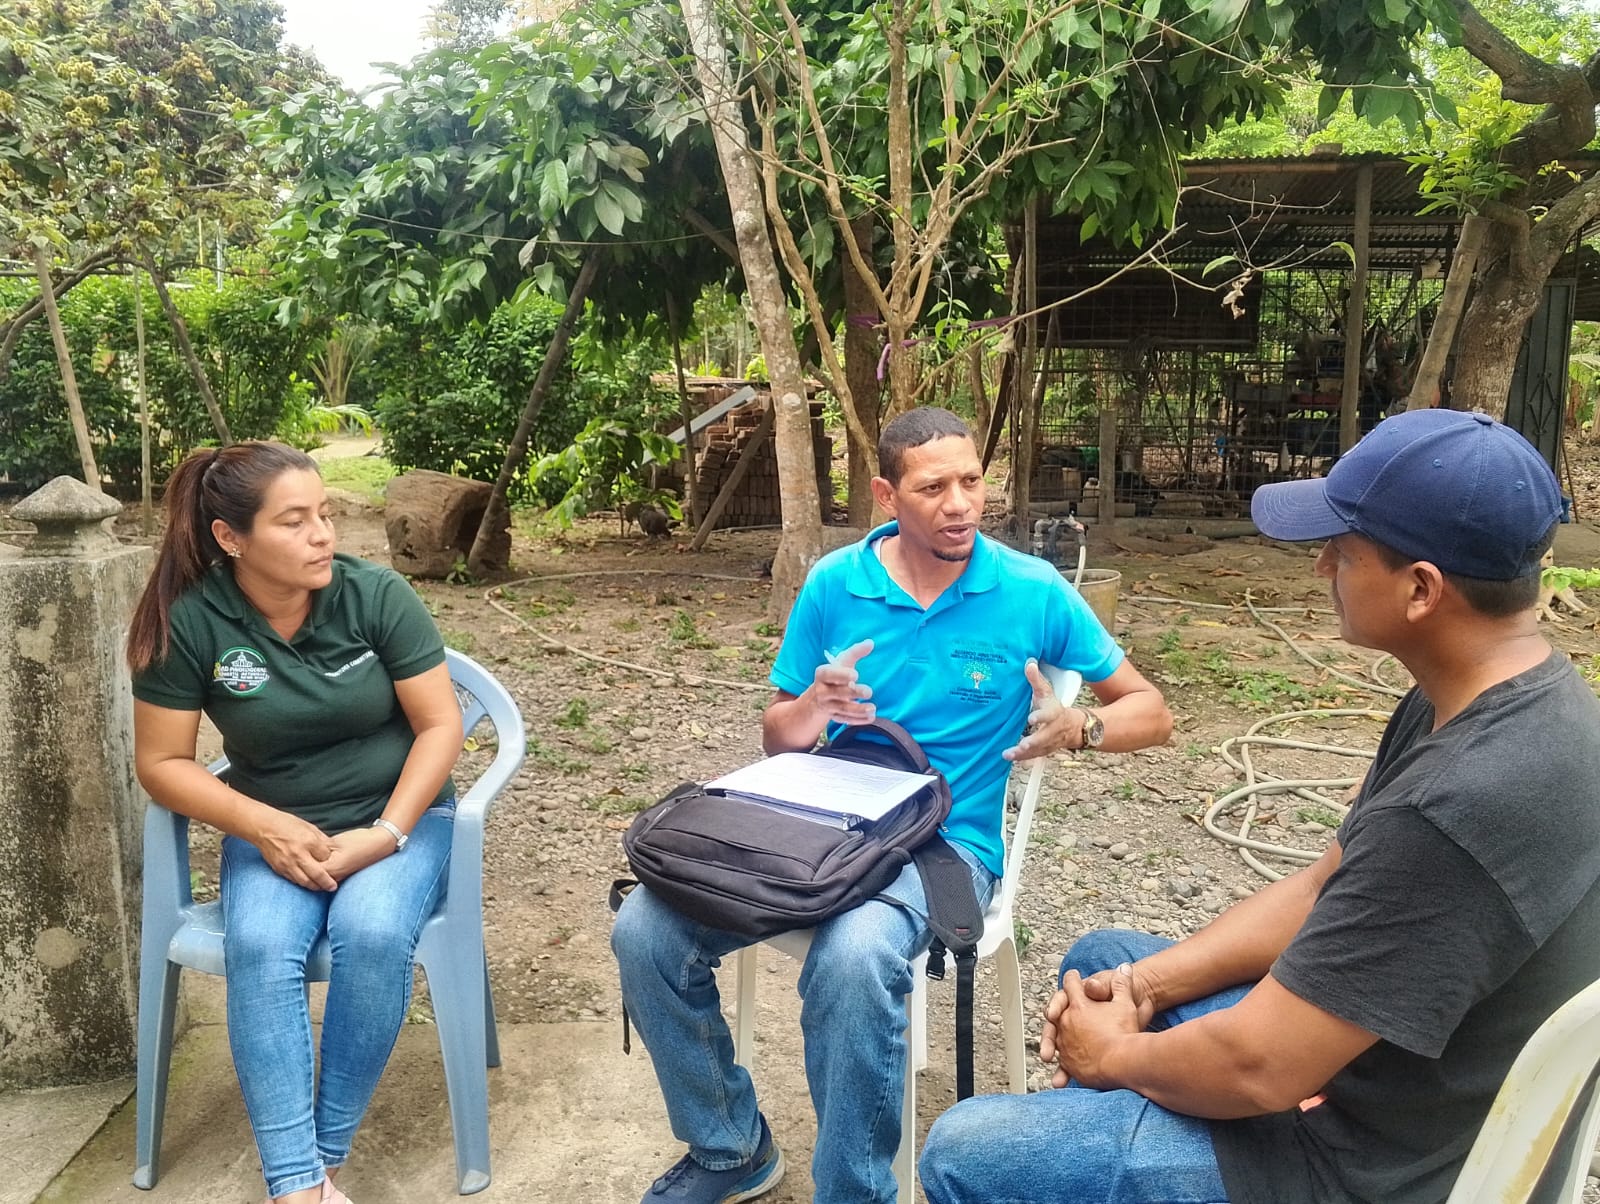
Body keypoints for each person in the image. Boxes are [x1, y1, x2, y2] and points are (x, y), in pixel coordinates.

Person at [918, 408, 1600, 1204]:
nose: (1321, 567)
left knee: (967, 1150)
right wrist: (1145, 989)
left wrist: (1112, 1057)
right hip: (1396, 1077)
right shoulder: (1498, 702)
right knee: (1106, 965)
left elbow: (1260, 1068)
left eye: (1342, 551)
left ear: (1421, 589)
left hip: (1372, 1167)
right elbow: (1319, 890)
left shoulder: (1457, 807)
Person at [611, 407, 1172, 1203]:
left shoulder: (1030, 589)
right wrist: (814, 704)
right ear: (886, 495)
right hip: (824, 826)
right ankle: (729, 1148)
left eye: (972, 482)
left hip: (947, 843)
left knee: (855, 956)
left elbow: (1153, 712)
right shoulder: (836, 582)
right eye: (933, 487)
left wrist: (1081, 727)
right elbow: (778, 736)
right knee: (643, 930)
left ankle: (854, 1192)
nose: (960, 505)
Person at [128, 442, 464, 1204]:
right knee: (260, 945)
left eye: (325, 514)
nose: (322, 535)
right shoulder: (191, 624)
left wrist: (385, 834)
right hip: (272, 826)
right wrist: (265, 828)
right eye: (294, 521)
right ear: (231, 538)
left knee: (372, 932)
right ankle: (298, 1190)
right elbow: (162, 763)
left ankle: (318, 1167)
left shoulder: (375, 597)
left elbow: (441, 726)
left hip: (400, 819)